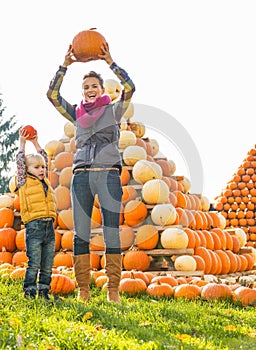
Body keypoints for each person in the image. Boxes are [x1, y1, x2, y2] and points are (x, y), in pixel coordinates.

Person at [47, 42, 135, 303]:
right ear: (83, 92)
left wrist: (111, 62)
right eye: (86, 87)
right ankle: (83, 290)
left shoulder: (113, 110)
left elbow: (130, 88)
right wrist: (64, 66)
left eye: (94, 86)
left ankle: (113, 291)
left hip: (108, 174)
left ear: (101, 89)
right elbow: (52, 95)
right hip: (82, 177)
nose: (90, 90)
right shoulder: (76, 114)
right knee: (81, 234)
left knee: (111, 232)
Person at [15, 130, 57, 300]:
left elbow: (44, 158)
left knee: (47, 263)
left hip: (49, 227)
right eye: (37, 167)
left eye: (43, 168)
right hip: (34, 227)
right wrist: (23, 143)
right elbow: (20, 161)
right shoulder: (23, 181)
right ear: (27, 169)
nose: (41, 170)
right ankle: (30, 291)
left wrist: (37, 143)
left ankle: (44, 291)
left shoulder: (44, 180)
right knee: (34, 263)